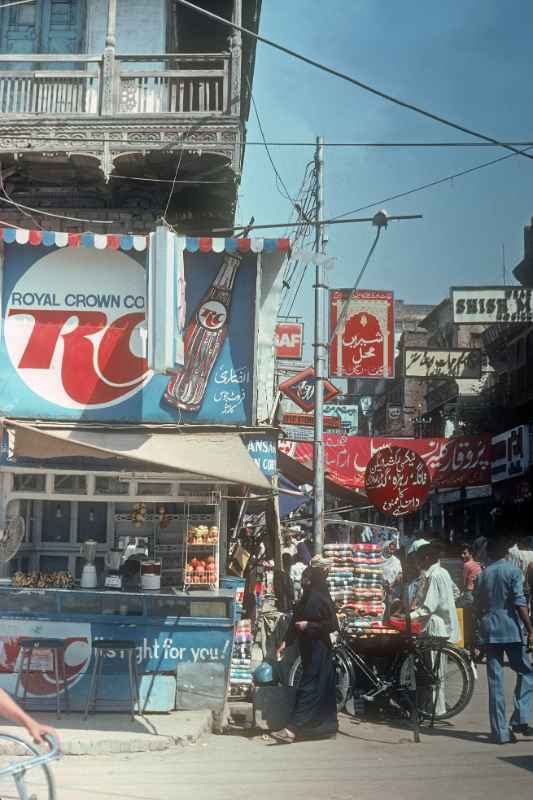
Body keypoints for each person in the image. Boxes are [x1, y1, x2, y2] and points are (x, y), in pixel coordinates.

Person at [473, 536, 533, 744]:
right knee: (527, 672)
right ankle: (520, 717)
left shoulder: (483, 575)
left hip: (489, 629)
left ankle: (500, 732)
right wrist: (530, 628)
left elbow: (477, 605)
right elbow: (519, 602)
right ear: (507, 552)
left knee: (495, 682)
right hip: (511, 628)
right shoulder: (513, 571)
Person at [272, 559, 338, 743]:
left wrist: (310, 625)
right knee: (319, 686)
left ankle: (292, 729)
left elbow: (332, 624)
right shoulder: (307, 595)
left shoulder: (322, 595)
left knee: (310, 687)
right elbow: (296, 619)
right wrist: (286, 641)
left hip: (320, 648)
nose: (305, 582)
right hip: (308, 648)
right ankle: (324, 728)